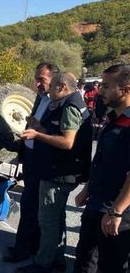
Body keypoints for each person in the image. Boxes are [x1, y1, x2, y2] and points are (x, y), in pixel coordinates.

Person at [18, 72, 91, 273]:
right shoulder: (70, 102)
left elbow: (67, 142)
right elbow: (60, 133)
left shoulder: (70, 106)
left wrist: (37, 135)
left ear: (61, 87)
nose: (48, 91)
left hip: (59, 172)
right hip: (60, 170)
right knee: (57, 218)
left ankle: (43, 263)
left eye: (51, 87)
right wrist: (40, 126)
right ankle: (57, 259)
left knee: (47, 220)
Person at [73, 64, 130, 273]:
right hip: (96, 204)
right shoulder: (113, 118)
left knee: (111, 266)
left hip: (117, 212)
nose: (100, 91)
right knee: (85, 261)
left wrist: (116, 212)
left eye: (106, 86)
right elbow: (102, 160)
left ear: (126, 89)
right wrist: (87, 190)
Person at [4, 62, 60, 264]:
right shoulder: (41, 97)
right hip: (30, 158)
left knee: (31, 206)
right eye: (36, 79)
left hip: (42, 162)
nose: (37, 84)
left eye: (41, 80)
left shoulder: (58, 102)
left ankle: (23, 250)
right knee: (31, 205)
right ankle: (29, 246)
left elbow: (58, 135)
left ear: (54, 79)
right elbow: (33, 125)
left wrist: (39, 130)